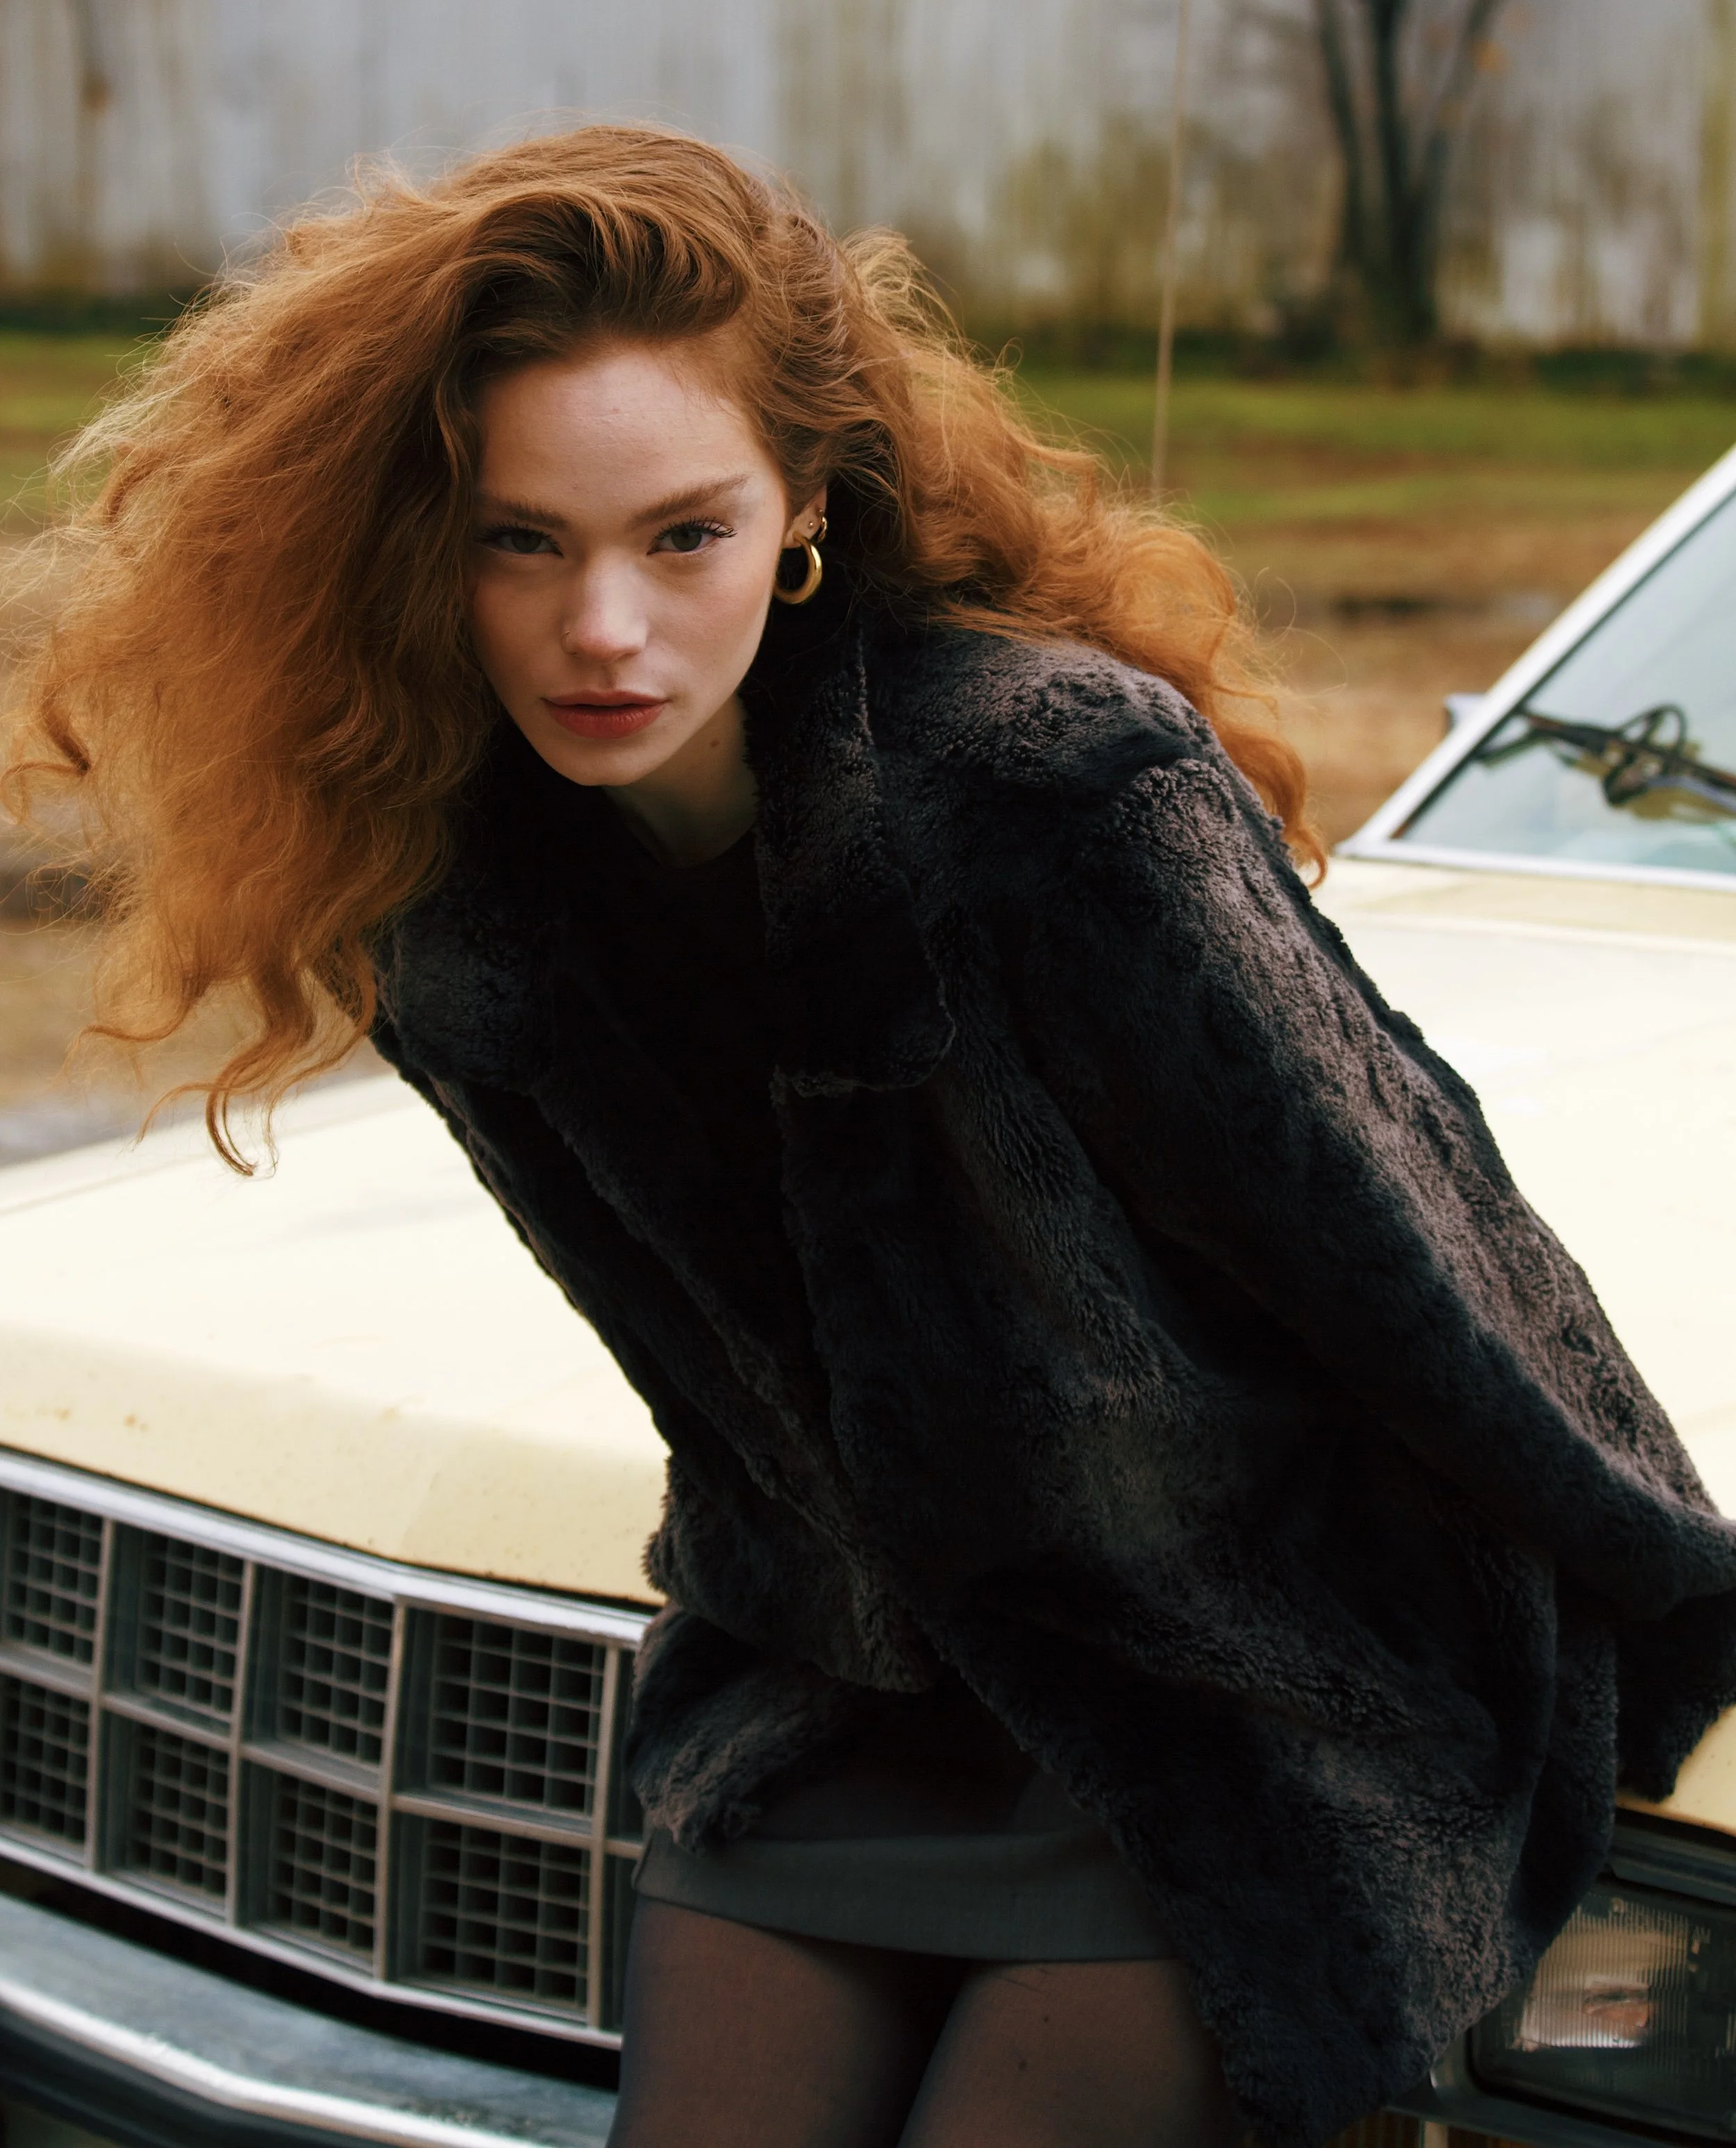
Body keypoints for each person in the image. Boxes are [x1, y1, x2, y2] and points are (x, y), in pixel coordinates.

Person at [8, 126, 1736, 2148]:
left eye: (684, 536)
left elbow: (1416, 1237)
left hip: (1237, 1687)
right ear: (417, 545)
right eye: (518, 541)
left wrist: (1666, 1605)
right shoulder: (453, 901)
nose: (604, 630)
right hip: (834, 1686)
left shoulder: (1051, 796)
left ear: (804, 508)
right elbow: (713, 1377)